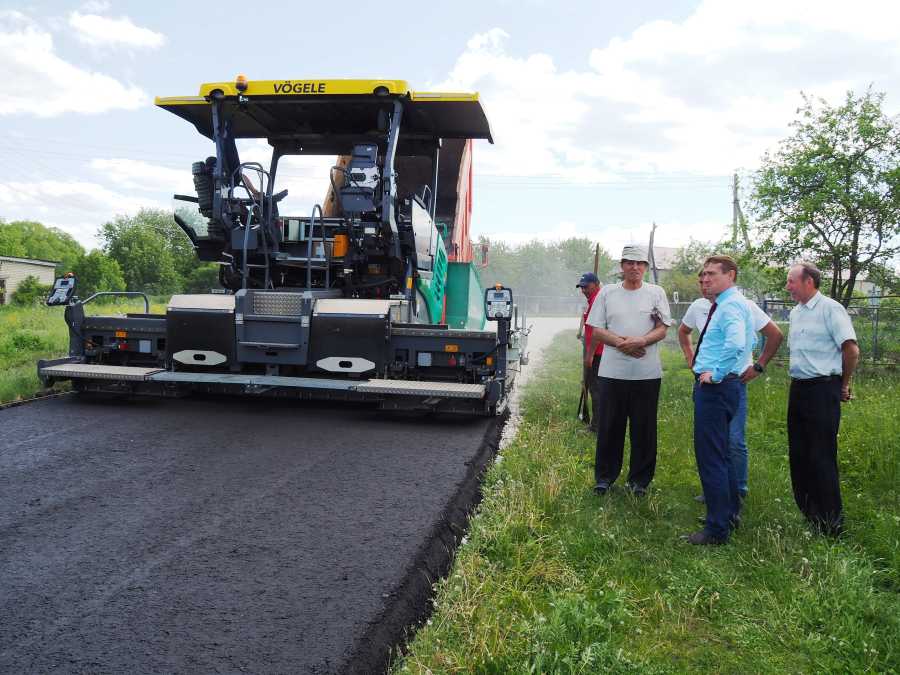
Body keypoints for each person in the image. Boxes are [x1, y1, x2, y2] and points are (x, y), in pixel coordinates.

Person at [678, 271, 784, 502]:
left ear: (728, 277)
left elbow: (775, 334)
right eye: (701, 280)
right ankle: (716, 492)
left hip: (731, 381)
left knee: (733, 439)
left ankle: (738, 490)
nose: (705, 284)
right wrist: (690, 358)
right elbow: (683, 331)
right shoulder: (698, 307)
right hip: (707, 383)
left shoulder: (740, 304)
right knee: (712, 442)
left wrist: (758, 366)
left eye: (710, 278)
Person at [585, 245, 672, 496]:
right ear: (621, 266)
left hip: (646, 374)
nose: (635, 267)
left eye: (640, 263)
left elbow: (662, 328)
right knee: (610, 426)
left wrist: (641, 341)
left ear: (645, 267)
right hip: (613, 372)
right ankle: (604, 477)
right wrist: (624, 344)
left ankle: (639, 481)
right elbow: (598, 330)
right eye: (630, 263)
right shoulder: (607, 293)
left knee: (644, 428)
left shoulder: (656, 293)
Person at [685, 255, 755, 545]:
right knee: (722, 454)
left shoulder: (730, 306)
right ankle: (727, 514)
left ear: (731, 275)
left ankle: (716, 529)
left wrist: (716, 374)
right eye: (704, 274)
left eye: (712, 274)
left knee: (712, 457)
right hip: (725, 387)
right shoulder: (730, 305)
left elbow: (738, 343)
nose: (706, 279)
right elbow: (750, 341)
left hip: (717, 389)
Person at [785, 262, 859, 536]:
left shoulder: (831, 309)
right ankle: (811, 514)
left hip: (823, 389)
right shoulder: (795, 312)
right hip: (799, 388)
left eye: (791, 281)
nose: (787, 287)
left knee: (821, 455)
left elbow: (851, 350)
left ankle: (831, 523)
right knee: (799, 453)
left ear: (808, 282)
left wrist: (844, 383)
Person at [576, 272, 603, 431]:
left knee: (596, 389)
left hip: (598, 353)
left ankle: (597, 426)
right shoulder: (592, 300)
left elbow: (597, 330)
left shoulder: (598, 300)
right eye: (581, 287)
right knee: (594, 387)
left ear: (596, 284)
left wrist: (590, 355)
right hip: (594, 351)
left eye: (586, 287)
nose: (583, 290)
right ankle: (597, 423)